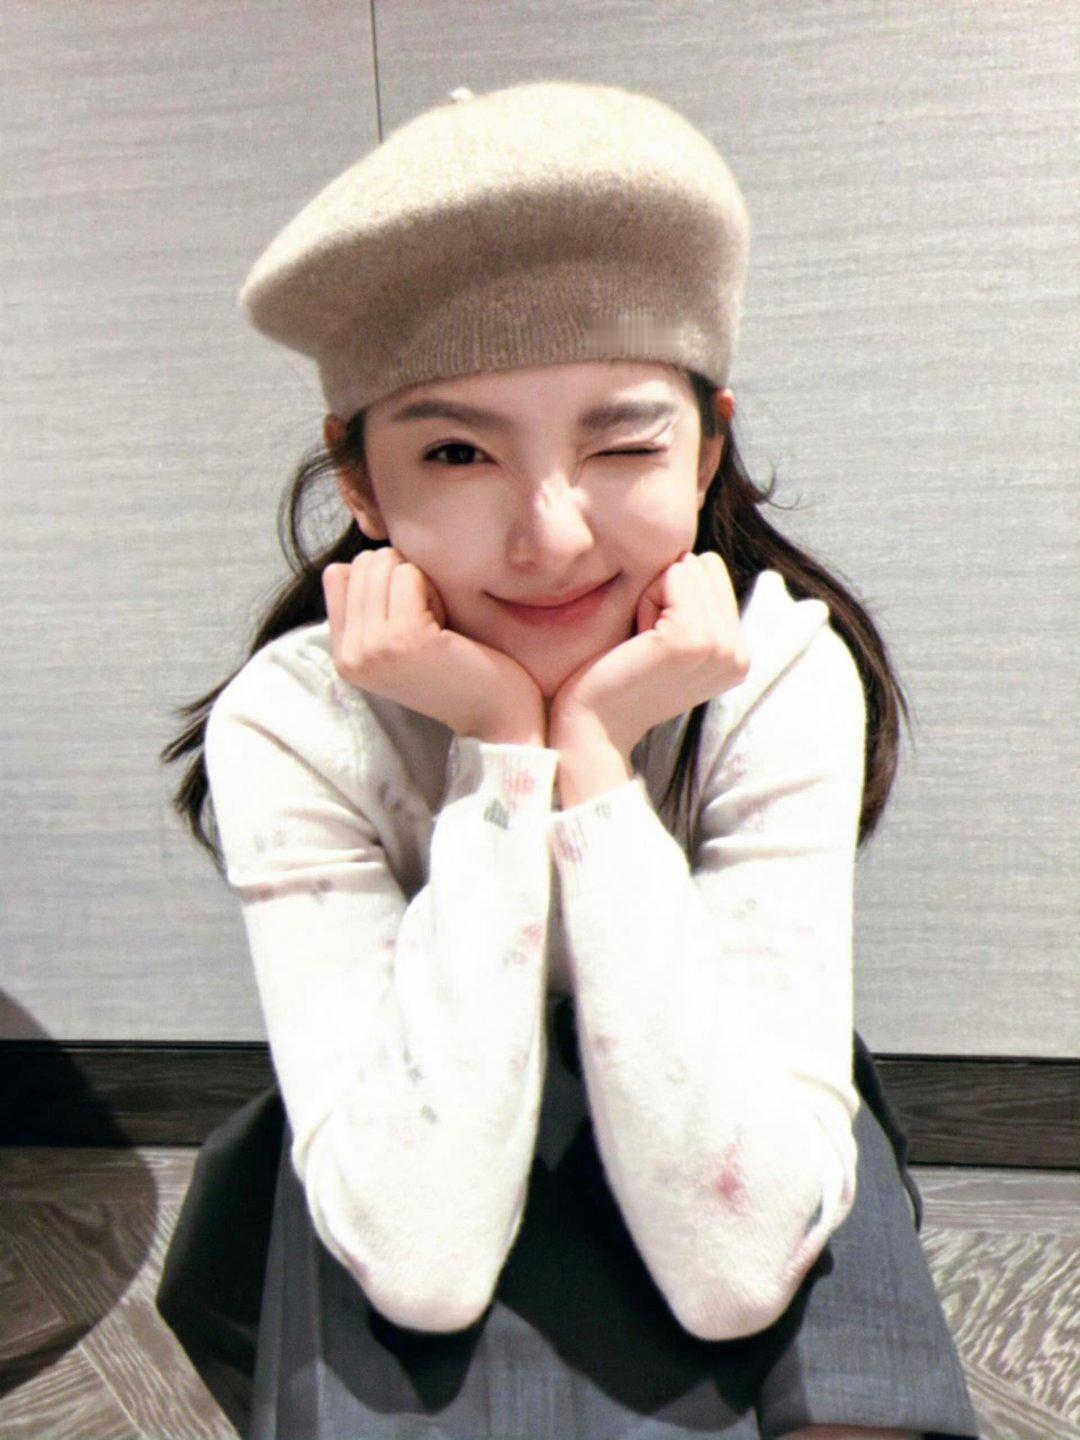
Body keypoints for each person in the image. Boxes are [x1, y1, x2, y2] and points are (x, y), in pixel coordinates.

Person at [156, 80, 981, 1440]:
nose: (551, 537)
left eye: (626, 440)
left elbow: (739, 1266)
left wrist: (593, 758)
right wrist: (502, 755)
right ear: (359, 481)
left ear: (707, 446)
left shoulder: (777, 674)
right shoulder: (292, 726)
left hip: (711, 1075)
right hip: (417, 1106)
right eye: (457, 451)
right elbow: (421, 1257)